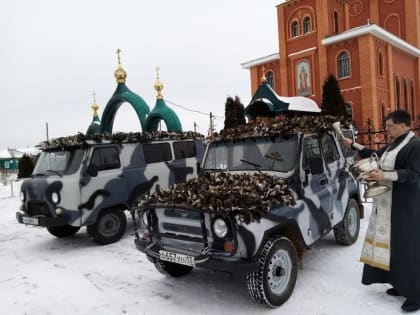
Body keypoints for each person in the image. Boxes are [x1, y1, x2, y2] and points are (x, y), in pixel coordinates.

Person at [342, 110, 420, 312]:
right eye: (386, 127)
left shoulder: (414, 145)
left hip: (405, 205)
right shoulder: (395, 144)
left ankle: (416, 295)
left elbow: (413, 174)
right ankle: (399, 284)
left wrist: (383, 174)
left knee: (407, 249)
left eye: (390, 126)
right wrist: (352, 144)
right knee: (393, 247)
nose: (387, 130)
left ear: (404, 125)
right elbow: (374, 155)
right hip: (388, 204)